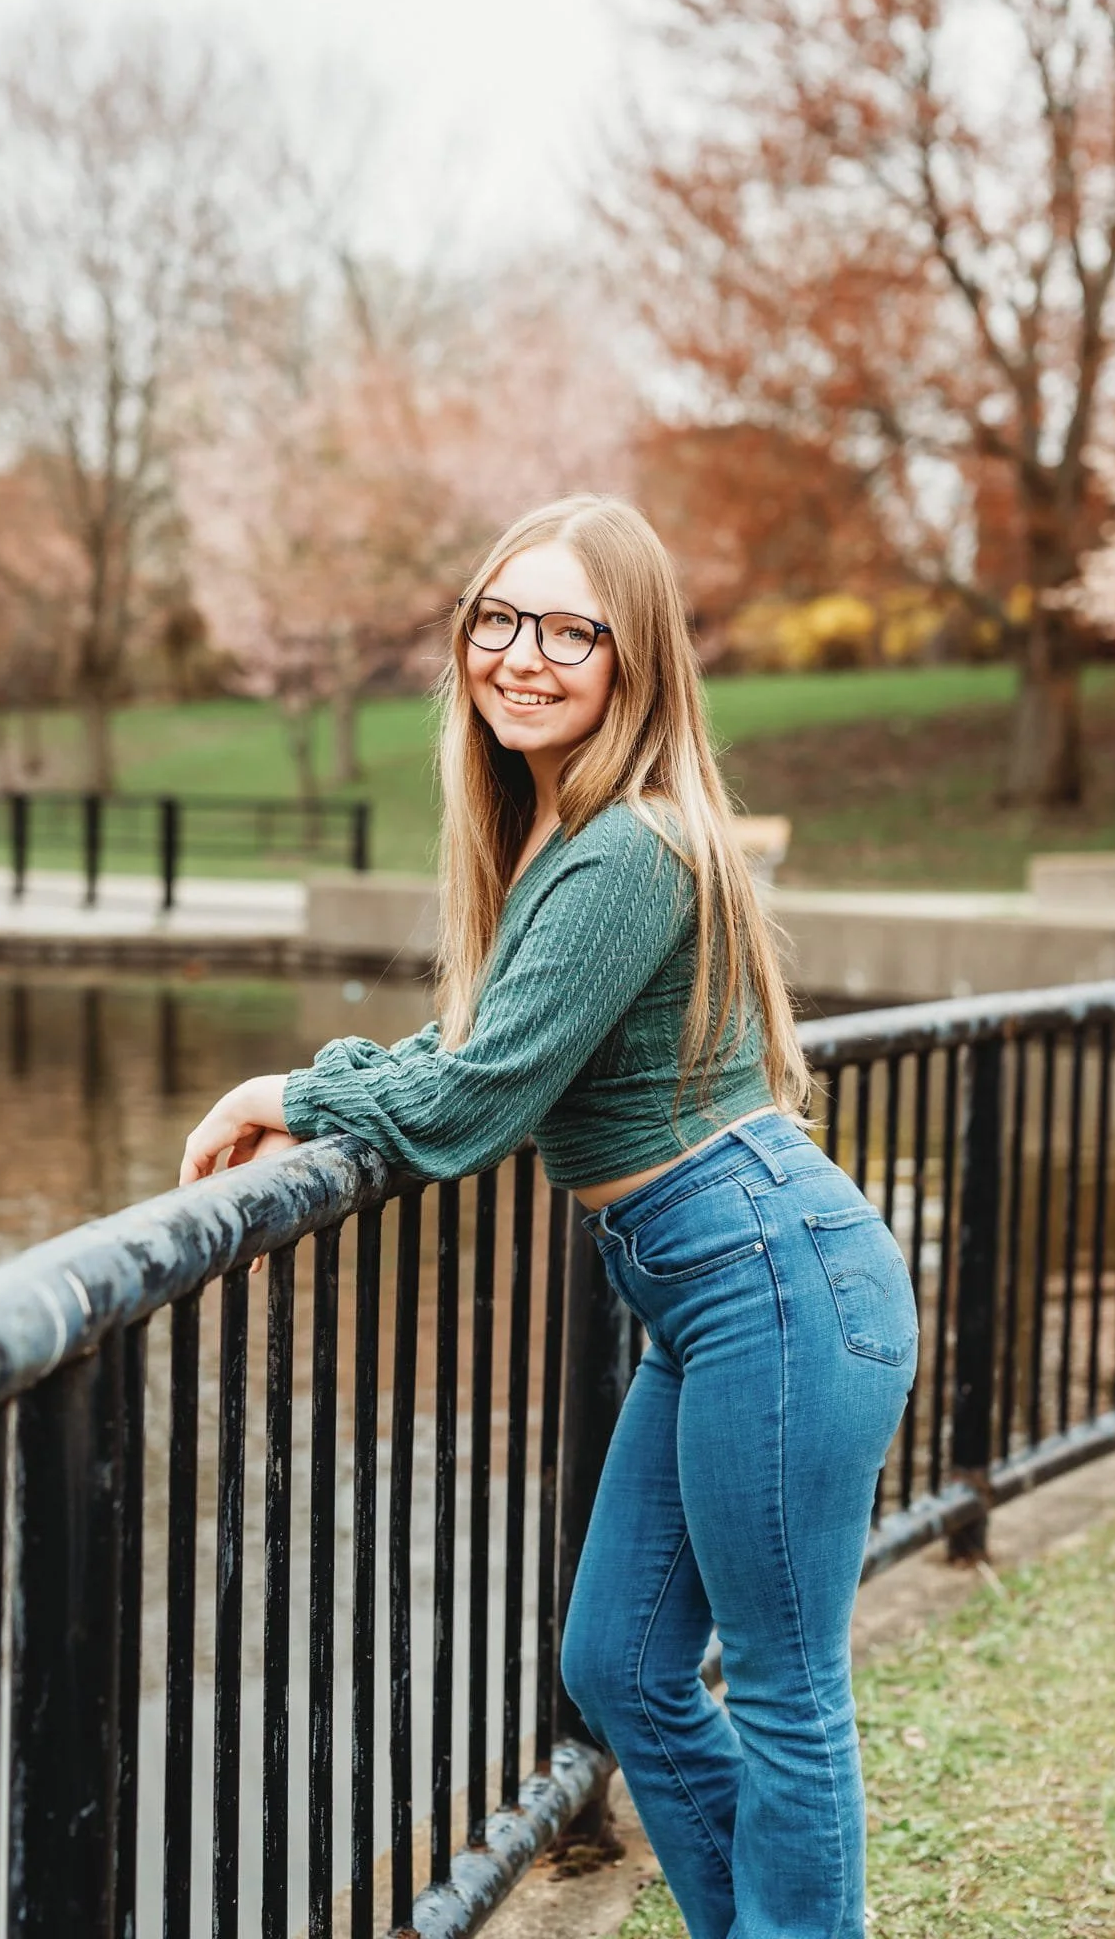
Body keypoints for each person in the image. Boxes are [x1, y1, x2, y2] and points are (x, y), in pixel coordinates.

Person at [178, 493, 919, 1939]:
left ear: (633, 659)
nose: (521, 655)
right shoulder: (567, 837)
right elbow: (478, 1047)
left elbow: (468, 1107)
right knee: (622, 1663)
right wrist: (334, 1092)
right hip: (711, 1287)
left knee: (783, 1693)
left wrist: (293, 1082)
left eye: (568, 629)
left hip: (768, 1280)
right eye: (497, 621)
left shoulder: (626, 849)